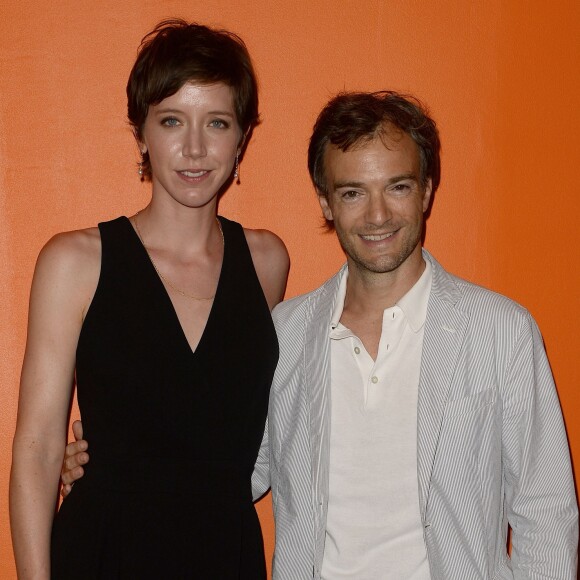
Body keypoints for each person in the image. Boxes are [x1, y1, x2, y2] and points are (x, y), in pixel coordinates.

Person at [62, 91, 579, 579]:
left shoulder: (500, 331)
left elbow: (547, 511)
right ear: (326, 202)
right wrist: (111, 458)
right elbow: (227, 467)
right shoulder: (286, 334)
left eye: (397, 186)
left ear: (426, 191)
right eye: (353, 192)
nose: (377, 216)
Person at [10, 19, 289, 580]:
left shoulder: (267, 262)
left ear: (242, 138)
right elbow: (37, 450)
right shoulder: (75, 261)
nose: (194, 148)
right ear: (141, 132)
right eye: (170, 121)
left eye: (216, 123)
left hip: (224, 556)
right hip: (102, 554)